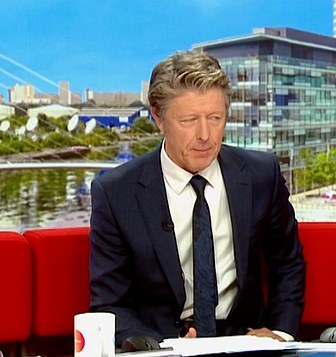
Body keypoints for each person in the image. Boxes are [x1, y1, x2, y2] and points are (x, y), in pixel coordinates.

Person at [89, 50, 306, 348]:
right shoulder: (116, 193)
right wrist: (157, 347)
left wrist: (279, 335)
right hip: (161, 347)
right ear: (158, 117)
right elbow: (110, 303)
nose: (205, 135)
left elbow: (288, 264)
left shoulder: (261, 175)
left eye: (215, 118)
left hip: (248, 344)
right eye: (190, 120)